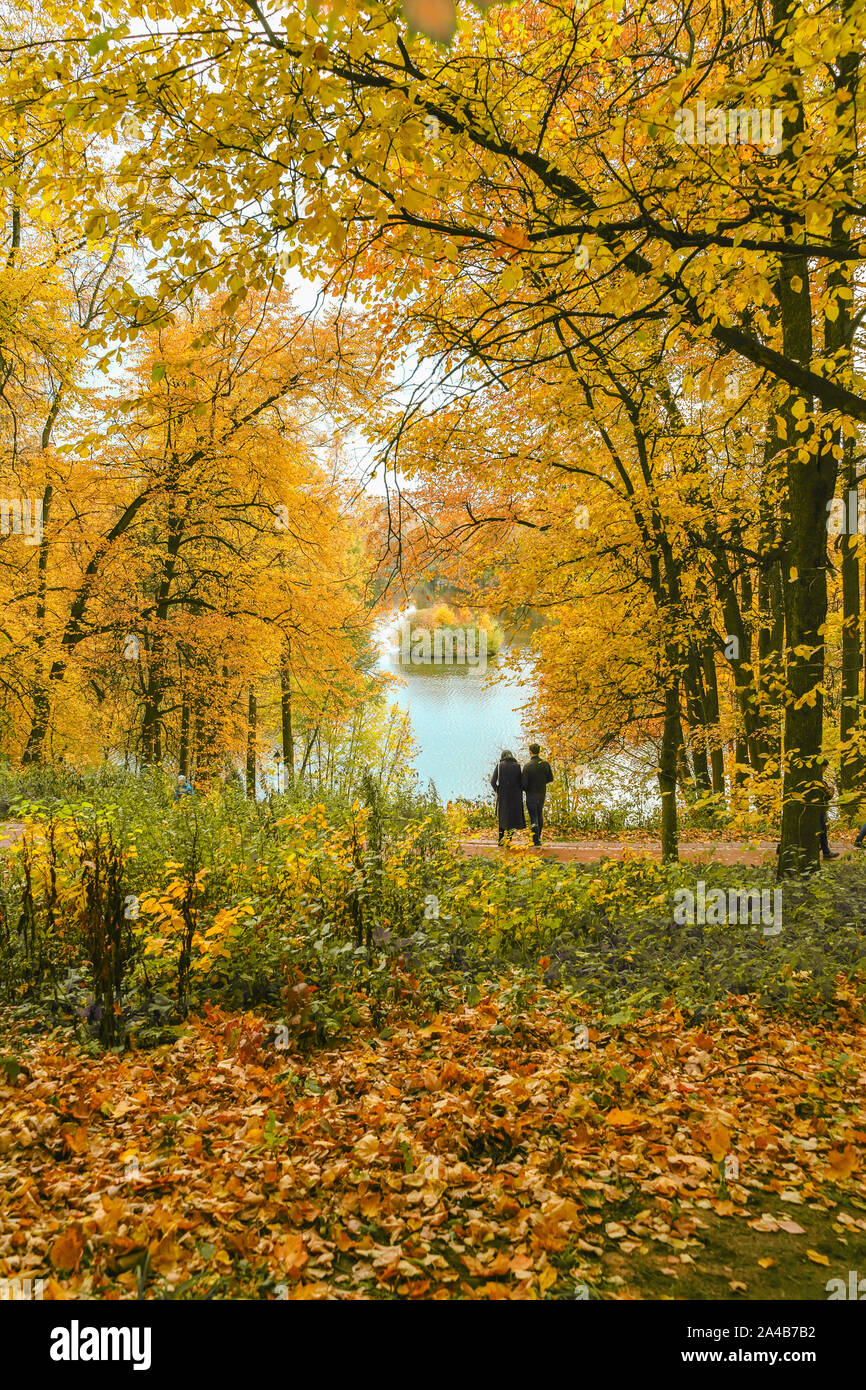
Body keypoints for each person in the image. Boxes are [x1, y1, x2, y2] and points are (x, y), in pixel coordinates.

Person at [522, 743, 554, 847]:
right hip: (541, 793)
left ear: (530, 752)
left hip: (531, 794)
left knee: (533, 817)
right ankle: (538, 838)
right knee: (539, 814)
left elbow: (524, 784)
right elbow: (550, 779)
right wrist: (541, 783)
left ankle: (535, 840)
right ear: (539, 751)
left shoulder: (527, 766)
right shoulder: (545, 764)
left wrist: (528, 788)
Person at [490, 750, 525, 846]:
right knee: (512, 818)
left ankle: (500, 840)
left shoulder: (499, 766)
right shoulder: (517, 766)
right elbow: (521, 782)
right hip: (515, 796)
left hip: (503, 796)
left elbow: (493, 782)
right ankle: (509, 840)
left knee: (503, 817)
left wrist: (498, 790)